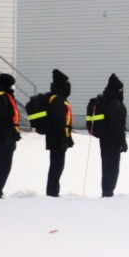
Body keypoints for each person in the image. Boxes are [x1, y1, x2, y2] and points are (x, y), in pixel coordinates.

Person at [46, 69, 75, 197]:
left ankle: (53, 190)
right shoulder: (58, 100)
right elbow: (59, 122)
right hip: (57, 138)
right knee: (56, 166)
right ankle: (52, 191)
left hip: (57, 137)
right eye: (67, 84)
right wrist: (63, 139)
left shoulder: (58, 98)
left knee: (57, 165)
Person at [0, 74, 21, 199]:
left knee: (2, 165)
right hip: (1, 137)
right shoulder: (0, 99)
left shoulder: (3, 97)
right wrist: (9, 135)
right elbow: (2, 120)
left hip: (2, 136)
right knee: (3, 165)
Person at [99, 74, 127, 197]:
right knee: (112, 166)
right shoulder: (114, 103)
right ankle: (108, 192)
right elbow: (116, 124)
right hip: (112, 139)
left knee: (107, 165)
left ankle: (107, 190)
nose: (123, 92)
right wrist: (122, 141)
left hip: (105, 139)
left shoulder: (108, 100)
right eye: (121, 90)